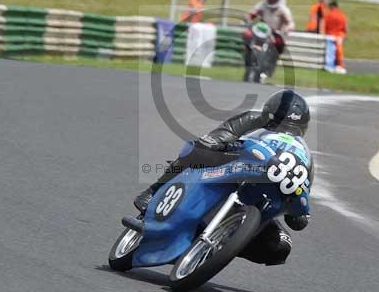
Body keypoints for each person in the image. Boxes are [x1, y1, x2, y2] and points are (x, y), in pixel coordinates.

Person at [133, 89, 312, 266]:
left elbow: (299, 212)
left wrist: (299, 212)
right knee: (194, 151)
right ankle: (153, 191)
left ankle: (222, 247)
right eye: (279, 124)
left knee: (280, 246)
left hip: (259, 199)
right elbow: (219, 135)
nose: (286, 131)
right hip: (232, 168)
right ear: (268, 117)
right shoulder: (252, 119)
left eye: (292, 128)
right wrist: (218, 145)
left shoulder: (304, 155)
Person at [244, 0, 295, 71]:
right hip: (262, 30)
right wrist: (248, 19)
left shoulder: (283, 9)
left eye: (273, 0)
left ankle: (272, 63)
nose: (271, 1)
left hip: (276, 32)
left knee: (280, 43)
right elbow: (251, 14)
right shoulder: (262, 5)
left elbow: (290, 22)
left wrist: (287, 28)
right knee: (247, 35)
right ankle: (247, 55)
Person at [323, 0, 348, 73]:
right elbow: (345, 28)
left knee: (330, 53)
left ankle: (329, 67)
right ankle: (339, 66)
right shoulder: (342, 15)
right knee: (339, 52)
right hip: (339, 37)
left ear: (332, 6)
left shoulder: (328, 15)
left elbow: (325, 26)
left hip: (330, 36)